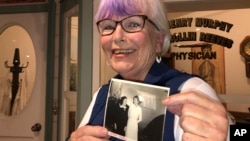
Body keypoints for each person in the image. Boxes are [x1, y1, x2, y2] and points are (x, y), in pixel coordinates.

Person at [70, 0, 231, 140]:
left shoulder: (190, 89)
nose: (117, 36)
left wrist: (229, 135)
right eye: (108, 26)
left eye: (133, 24)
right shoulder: (103, 93)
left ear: (159, 41)